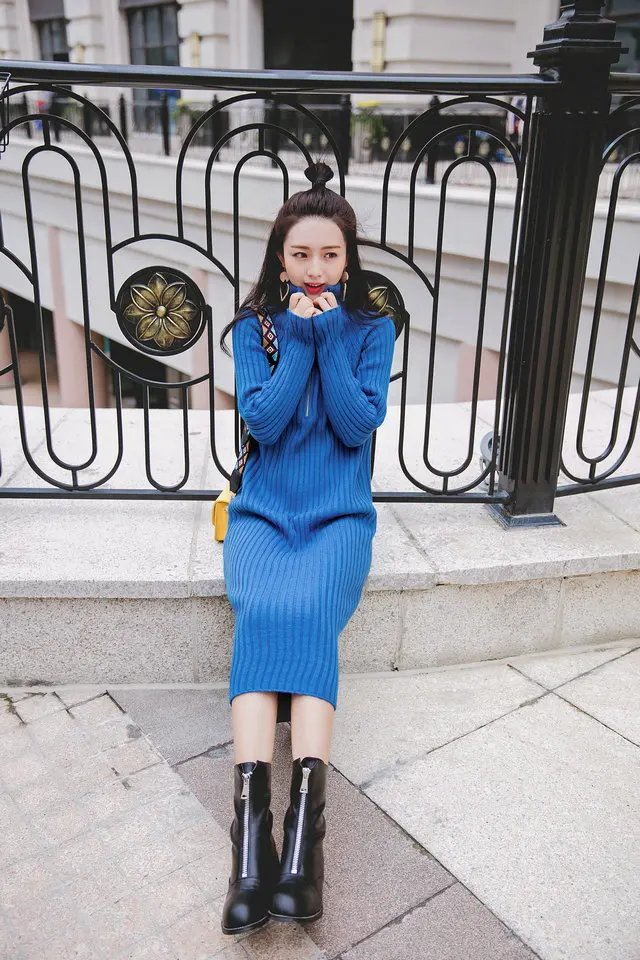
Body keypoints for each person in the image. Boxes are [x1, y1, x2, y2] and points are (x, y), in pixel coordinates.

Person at [218, 159, 396, 935]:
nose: (315, 267)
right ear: (280, 258)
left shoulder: (373, 330)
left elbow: (357, 426)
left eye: (329, 253)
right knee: (262, 611)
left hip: (338, 517)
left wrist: (326, 338)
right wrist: (296, 337)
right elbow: (264, 421)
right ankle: (250, 842)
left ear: (348, 259)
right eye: (301, 254)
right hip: (264, 516)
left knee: (311, 610)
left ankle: (304, 840)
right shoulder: (252, 328)